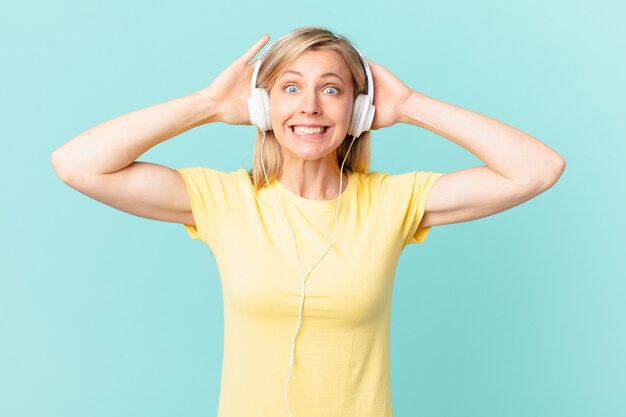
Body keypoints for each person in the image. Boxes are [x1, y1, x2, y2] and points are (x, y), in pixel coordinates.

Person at [51, 26, 565, 417]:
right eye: (290, 89)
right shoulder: (226, 199)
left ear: (358, 111)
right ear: (261, 106)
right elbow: (77, 164)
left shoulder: (394, 201)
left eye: (333, 90)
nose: (311, 107)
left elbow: (537, 170)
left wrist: (410, 106)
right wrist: (206, 104)